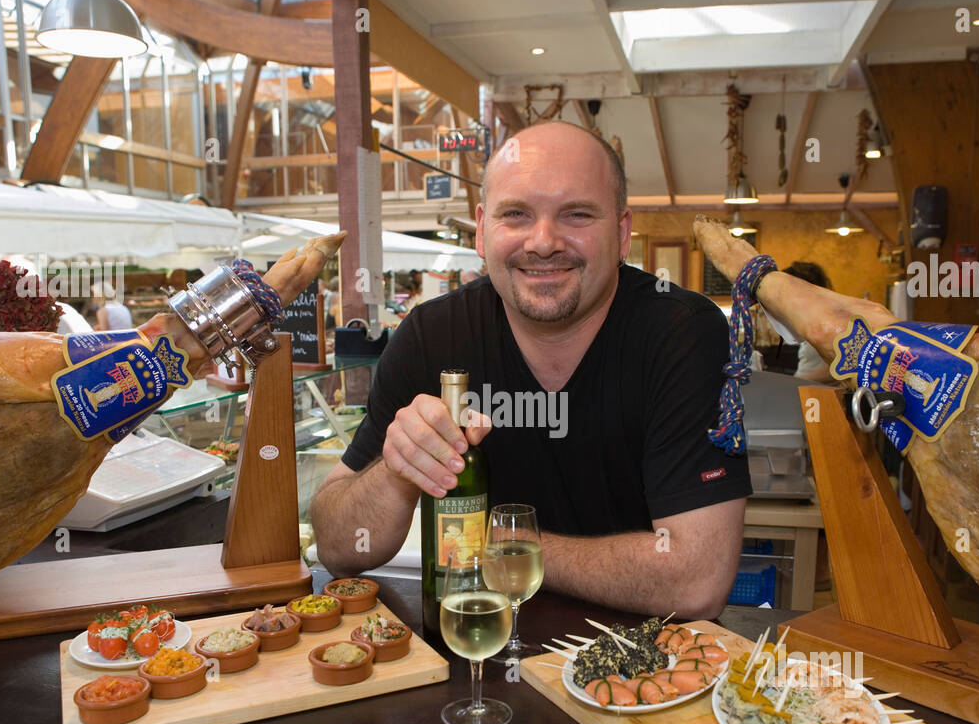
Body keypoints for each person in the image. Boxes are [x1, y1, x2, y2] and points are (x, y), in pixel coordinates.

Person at [311, 121, 749, 620]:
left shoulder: (681, 331)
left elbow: (697, 580)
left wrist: (499, 547)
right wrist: (395, 471)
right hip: (478, 658)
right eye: (516, 214)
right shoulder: (431, 334)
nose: (543, 242)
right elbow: (338, 548)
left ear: (623, 232)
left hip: (649, 675)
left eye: (577, 214)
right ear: (481, 228)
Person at [784, 261, 840, 385]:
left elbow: (843, 367)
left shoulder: (828, 322)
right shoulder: (808, 320)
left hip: (819, 395)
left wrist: (796, 381)